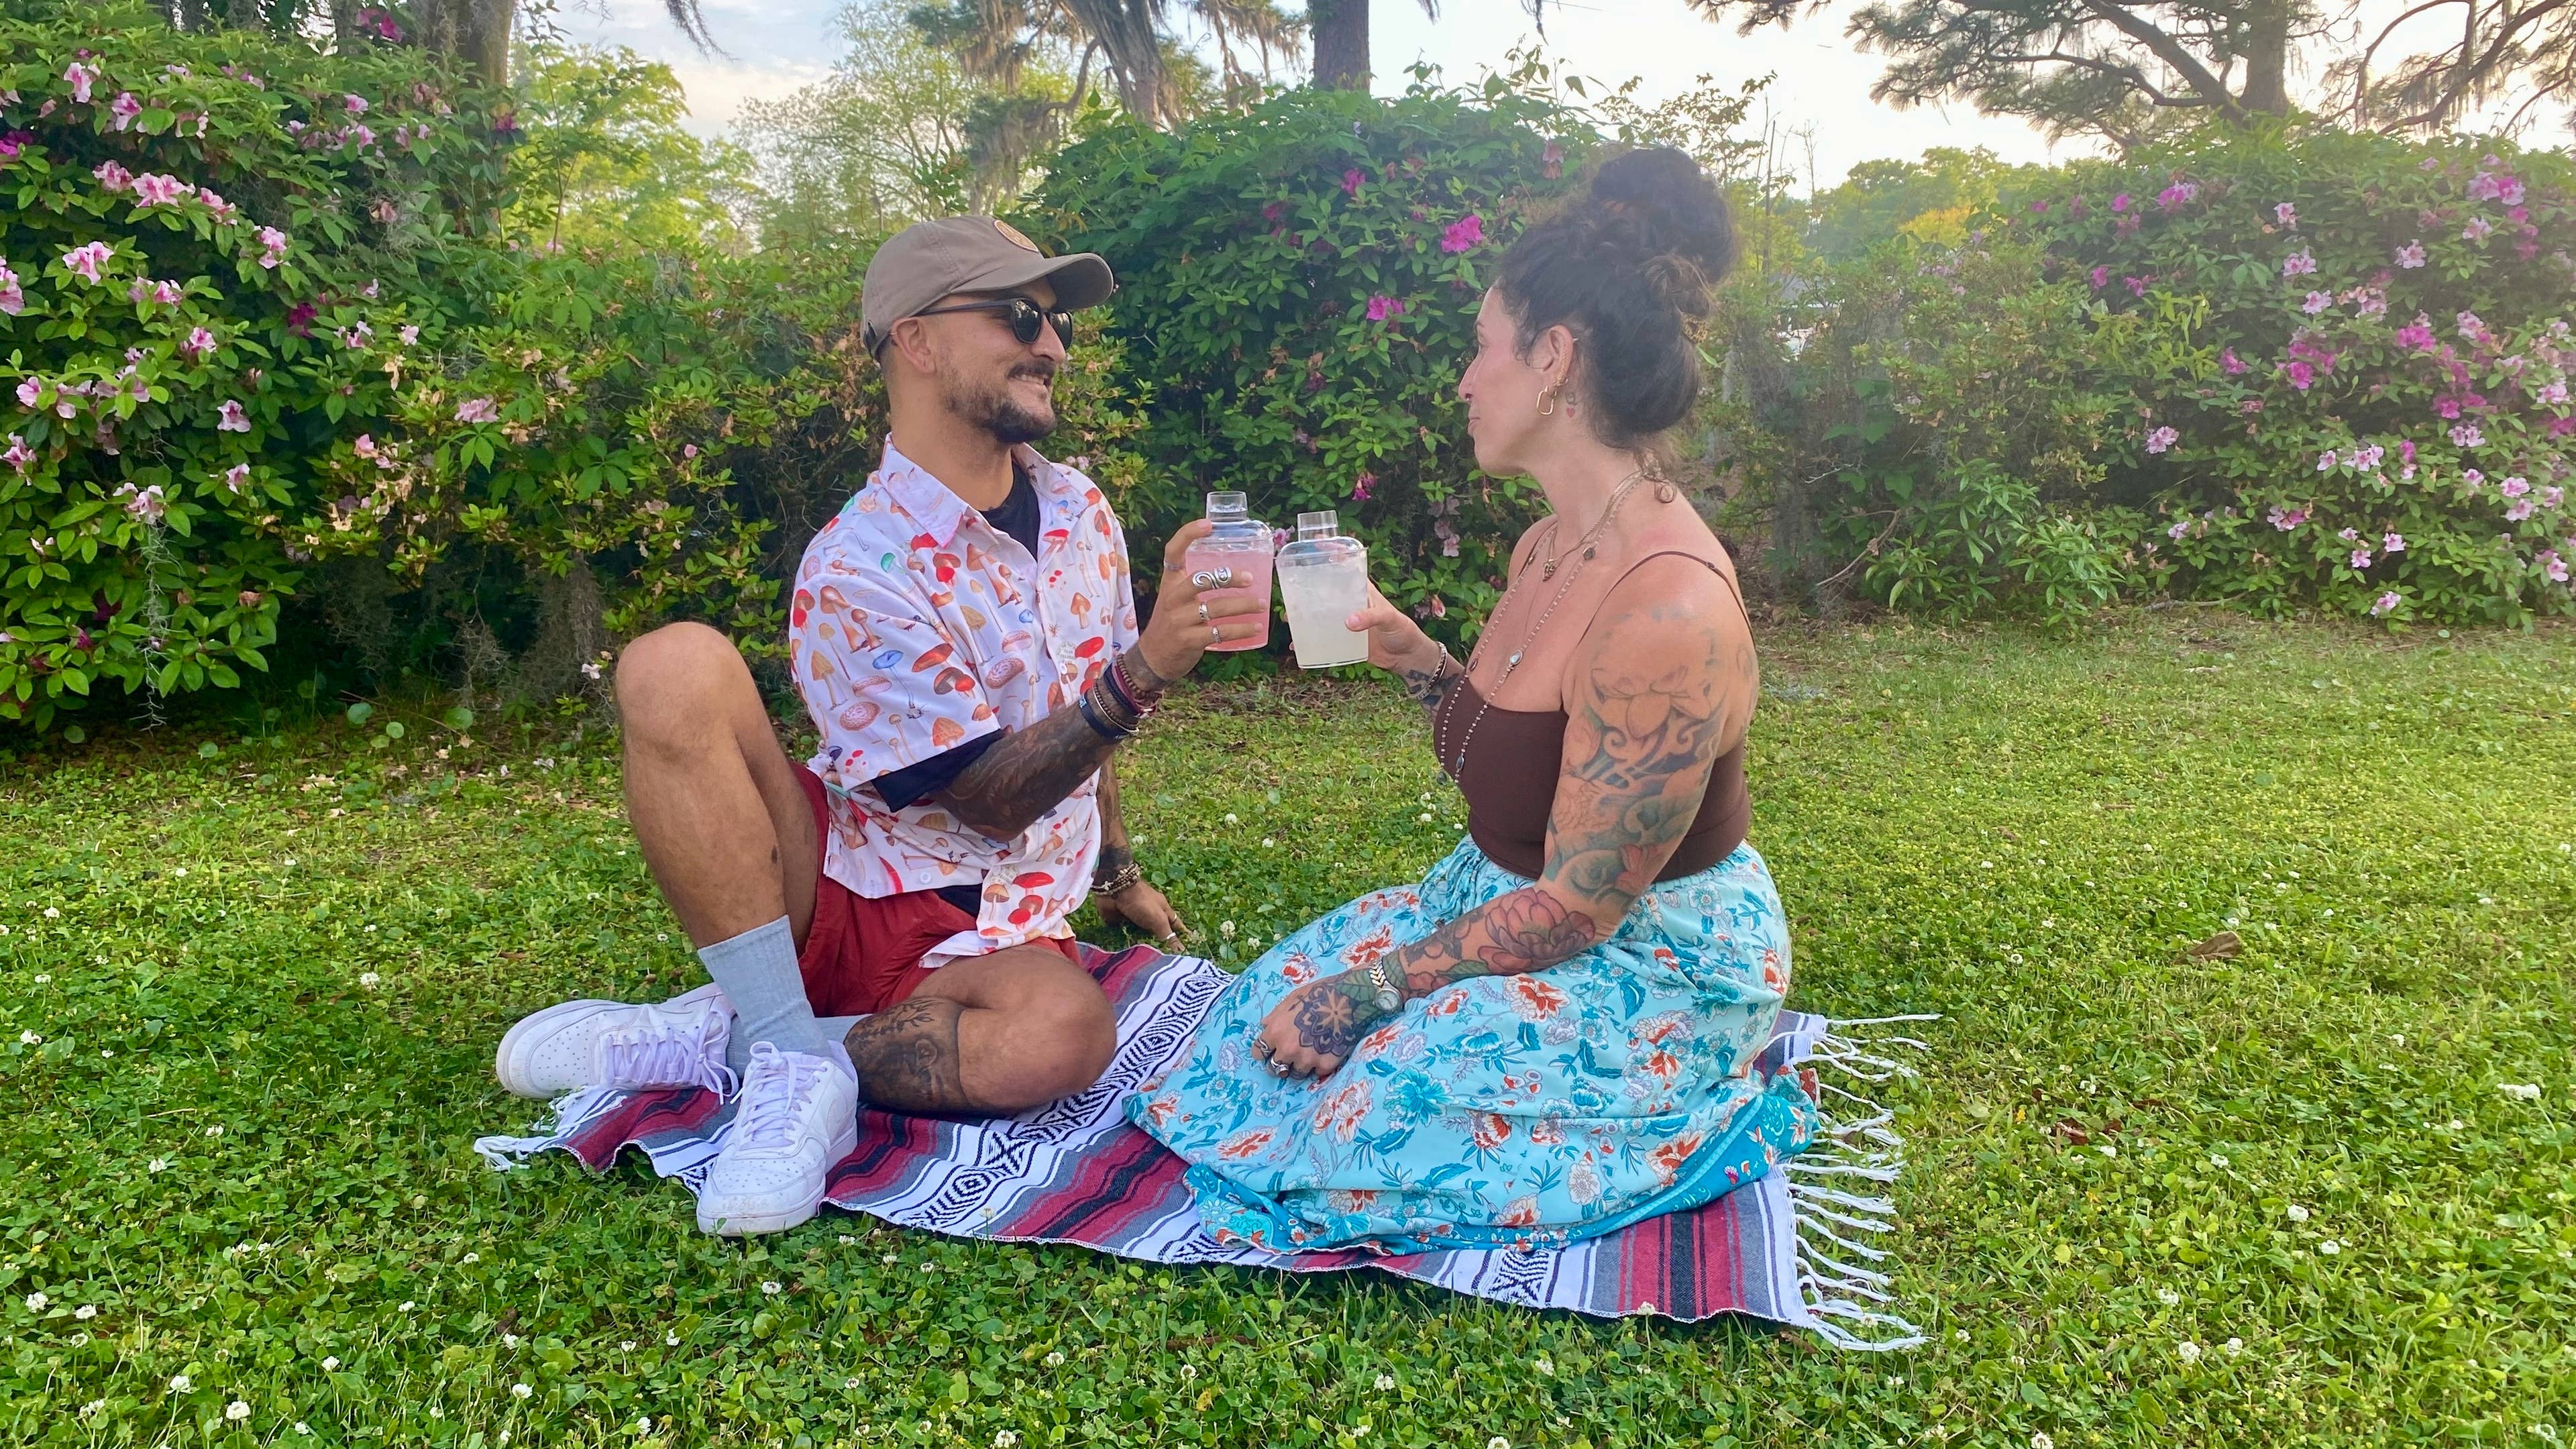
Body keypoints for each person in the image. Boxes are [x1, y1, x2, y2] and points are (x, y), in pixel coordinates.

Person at [492, 217, 1266, 1237]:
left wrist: (1118, 871)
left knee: (1059, 1036)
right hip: (835, 887)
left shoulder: (1083, 513)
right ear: (917, 340)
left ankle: (741, 1045)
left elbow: (1088, 721)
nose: (1053, 345)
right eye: (1020, 316)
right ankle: (782, 1045)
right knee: (671, 664)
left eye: (1059, 323)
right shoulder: (859, 564)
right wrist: (1147, 670)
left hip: (998, 929)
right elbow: (989, 803)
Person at [1126, 150, 1822, 1254]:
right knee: (1250, 1024)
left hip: (1649, 956)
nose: (1463, 380)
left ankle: (1701, 1110)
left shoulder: (1666, 613)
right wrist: (1414, 656)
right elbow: (1512, 757)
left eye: (1481, 346)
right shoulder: (1547, 545)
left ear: (1554, 359)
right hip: (1507, 903)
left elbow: (1580, 911)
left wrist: (1369, 992)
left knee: (1368, 1115)